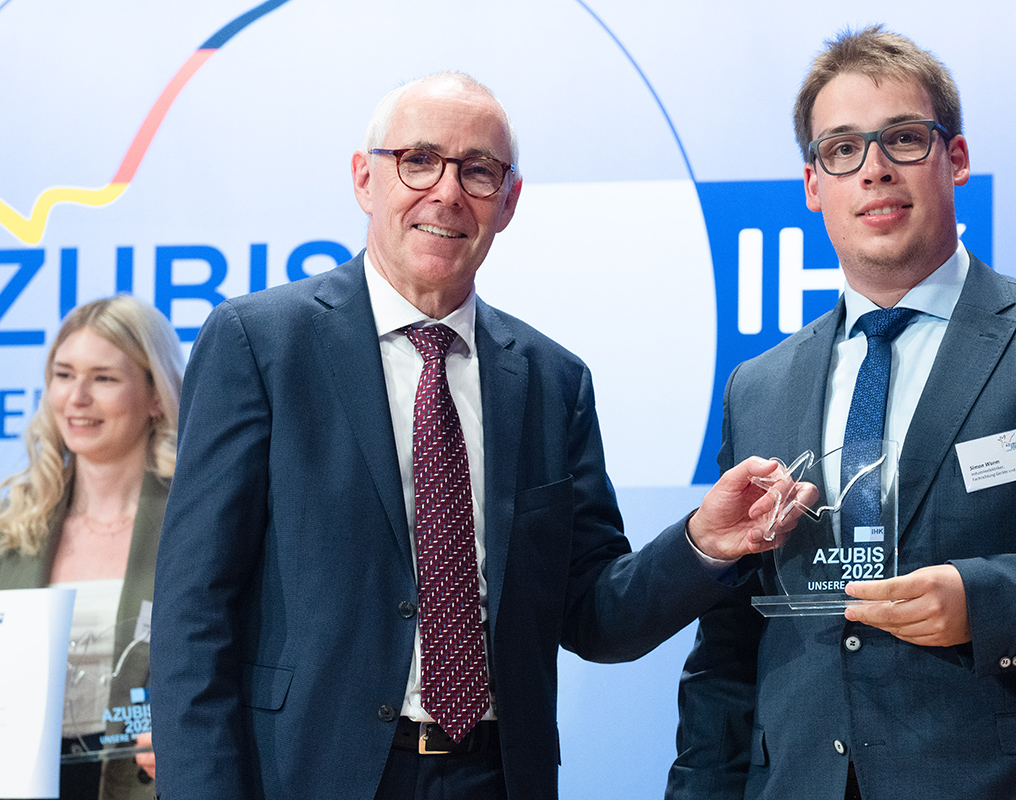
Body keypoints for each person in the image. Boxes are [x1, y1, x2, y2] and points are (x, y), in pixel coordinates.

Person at [149, 72, 792, 800]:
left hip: (496, 776)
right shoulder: (260, 344)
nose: (447, 192)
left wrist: (702, 542)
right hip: (305, 774)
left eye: (478, 171)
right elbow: (193, 613)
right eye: (418, 160)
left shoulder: (553, 381)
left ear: (509, 202)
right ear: (365, 178)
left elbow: (595, 613)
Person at [665, 25, 1016, 800]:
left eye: (902, 138)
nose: (873, 170)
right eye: (842, 149)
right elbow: (730, 644)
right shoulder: (759, 385)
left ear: (955, 159)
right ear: (812, 184)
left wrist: (987, 601)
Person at [0, 295, 184, 800]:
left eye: (103, 378)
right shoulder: (10, 532)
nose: (76, 397)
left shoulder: (200, 530)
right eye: (63, 375)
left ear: (154, 394)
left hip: (151, 785)